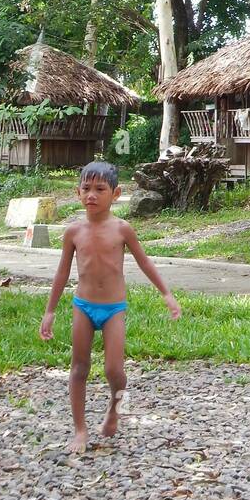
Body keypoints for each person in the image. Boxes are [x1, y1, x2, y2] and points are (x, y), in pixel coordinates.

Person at [39, 161, 181, 451]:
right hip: (83, 306)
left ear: (115, 194)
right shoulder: (73, 232)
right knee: (79, 368)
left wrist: (166, 293)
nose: (91, 195)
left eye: (99, 189)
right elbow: (62, 273)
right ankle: (80, 430)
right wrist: (50, 311)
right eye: (86, 189)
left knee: (115, 371)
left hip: (114, 308)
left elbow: (144, 261)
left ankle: (115, 410)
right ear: (78, 192)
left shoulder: (122, 229)